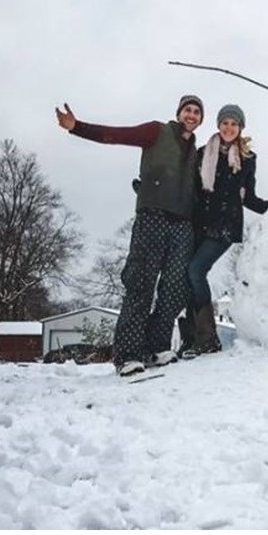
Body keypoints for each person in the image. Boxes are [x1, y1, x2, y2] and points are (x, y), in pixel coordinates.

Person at [55, 95, 204, 376]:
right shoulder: (157, 131)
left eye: (197, 112)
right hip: (152, 218)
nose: (192, 115)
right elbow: (117, 135)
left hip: (182, 225)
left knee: (174, 290)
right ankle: (128, 355)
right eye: (188, 109)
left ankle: (157, 347)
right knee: (140, 285)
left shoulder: (196, 152)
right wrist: (77, 127)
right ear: (179, 112)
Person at [180, 103, 268, 356]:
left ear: (240, 128)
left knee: (196, 270)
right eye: (225, 123)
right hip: (199, 223)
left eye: (234, 124)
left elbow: (249, 198)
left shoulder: (247, 158)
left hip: (224, 226)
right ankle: (190, 340)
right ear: (218, 125)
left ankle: (208, 339)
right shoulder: (203, 153)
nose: (229, 127)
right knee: (188, 277)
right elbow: (189, 188)